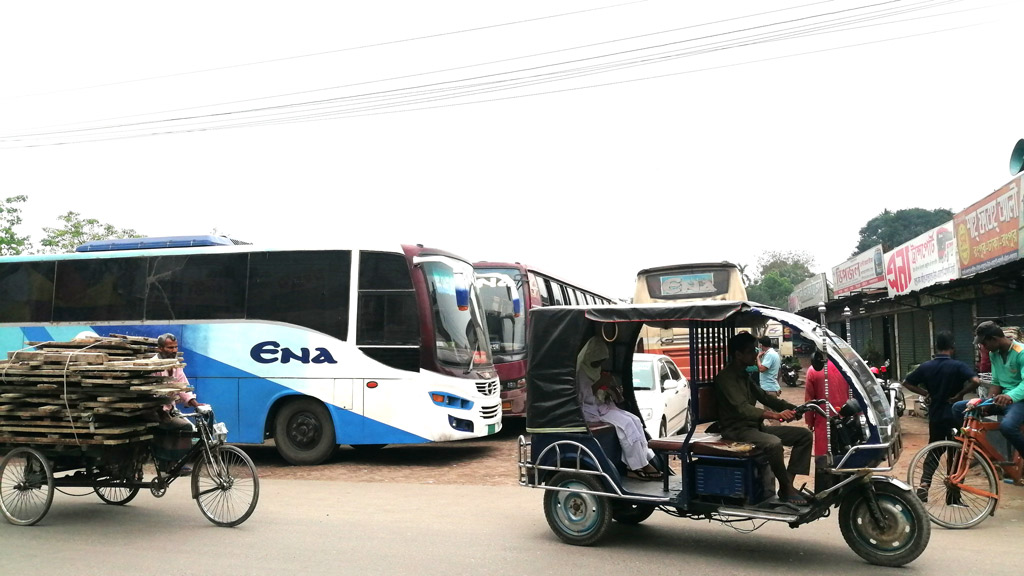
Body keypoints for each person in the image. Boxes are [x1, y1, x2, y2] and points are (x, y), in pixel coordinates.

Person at [715, 332, 812, 504]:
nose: (756, 354)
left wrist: (792, 407)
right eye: (751, 351)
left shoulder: (745, 375)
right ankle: (786, 487)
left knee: (804, 435)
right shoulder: (726, 378)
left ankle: (786, 485)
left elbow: (765, 398)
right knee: (774, 443)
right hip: (736, 430)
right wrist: (775, 415)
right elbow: (742, 408)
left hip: (755, 428)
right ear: (738, 355)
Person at [901, 331, 979, 502]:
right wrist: (960, 394)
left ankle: (924, 485)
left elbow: (906, 382)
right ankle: (953, 496)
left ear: (936, 347)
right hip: (955, 413)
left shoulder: (926, 366)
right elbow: (976, 380)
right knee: (957, 453)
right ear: (953, 347)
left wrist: (925, 392)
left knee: (935, 449)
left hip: (936, 414)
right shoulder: (958, 366)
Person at [576, 335, 662, 481]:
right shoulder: (581, 373)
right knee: (626, 424)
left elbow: (601, 391)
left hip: (603, 406)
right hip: (590, 411)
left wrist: (609, 388)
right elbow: (583, 397)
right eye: (598, 361)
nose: (600, 364)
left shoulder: (595, 369)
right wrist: (600, 383)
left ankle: (643, 460)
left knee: (634, 420)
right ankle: (634, 467)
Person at [952, 321, 1024, 464]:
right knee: (958, 408)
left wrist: (1009, 396)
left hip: (1019, 401)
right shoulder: (994, 354)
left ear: (994, 339)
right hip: (1001, 399)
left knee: (1008, 427)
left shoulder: (1020, 352)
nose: (983, 348)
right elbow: (996, 382)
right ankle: (978, 450)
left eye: (984, 343)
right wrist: (987, 400)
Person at [802, 350, 851, 491]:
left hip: (823, 419)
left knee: (823, 458)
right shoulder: (844, 367)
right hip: (845, 418)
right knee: (845, 454)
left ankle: (824, 491)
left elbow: (809, 400)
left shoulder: (813, 370)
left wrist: (809, 421)